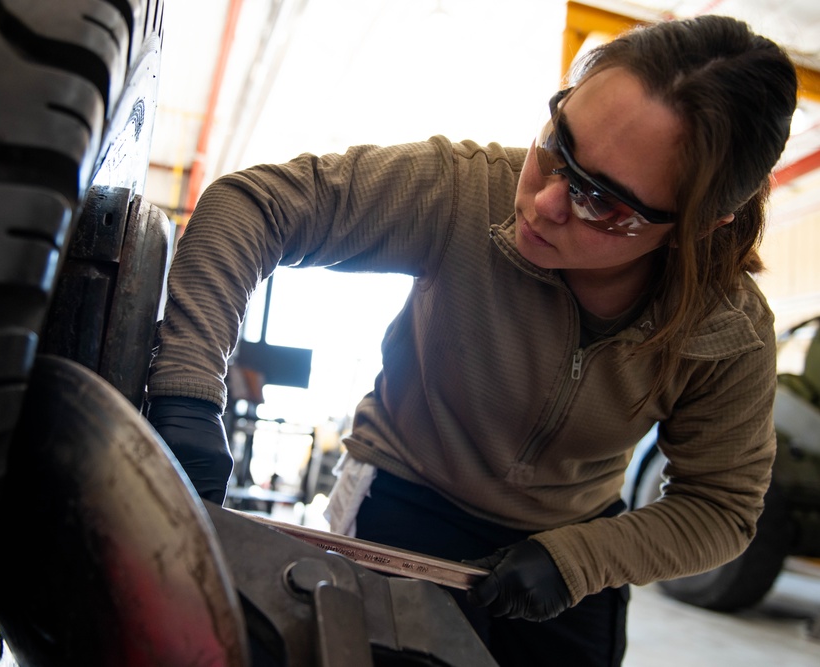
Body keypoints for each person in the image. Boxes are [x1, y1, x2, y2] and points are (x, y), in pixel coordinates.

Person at [145, 14, 798, 667]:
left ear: (696, 226)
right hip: (402, 493)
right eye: (556, 143)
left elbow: (720, 507)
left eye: (600, 201)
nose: (542, 200)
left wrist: (577, 560)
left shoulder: (725, 333)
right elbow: (253, 206)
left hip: (570, 544)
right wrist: (187, 393)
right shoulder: (460, 193)